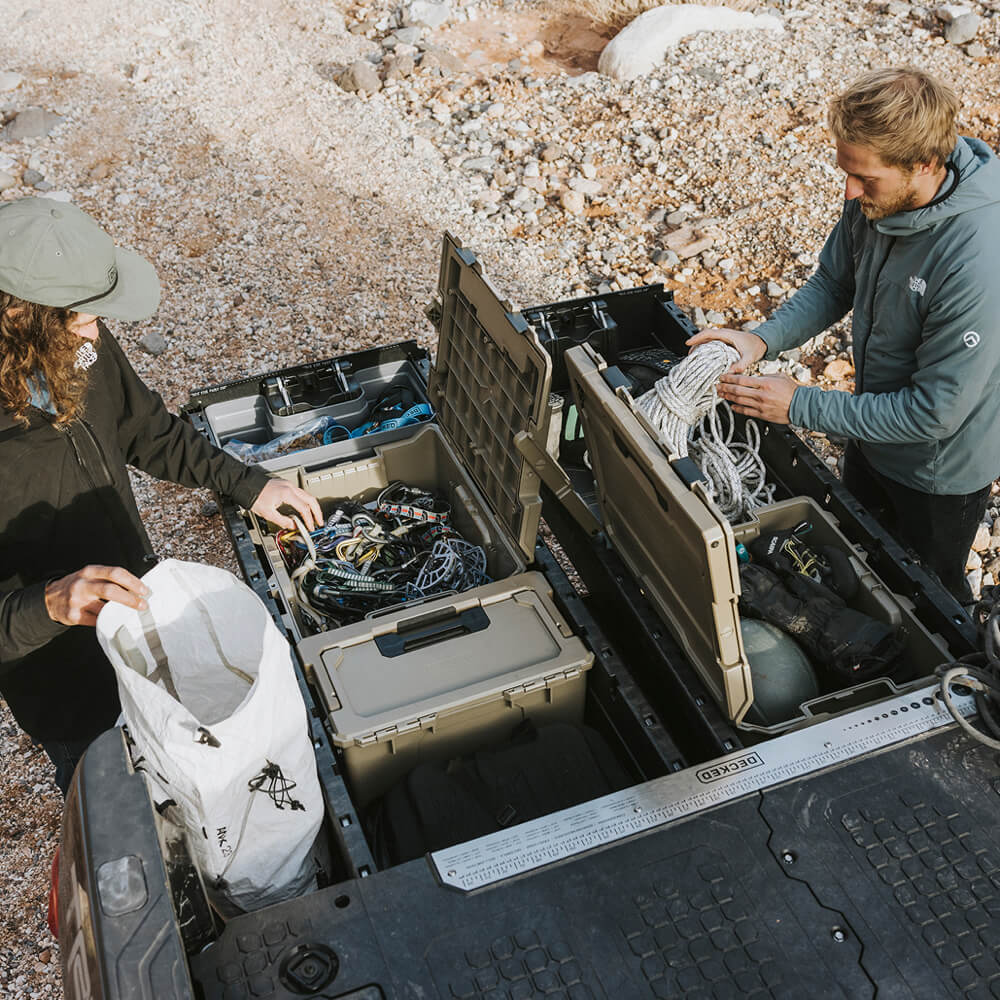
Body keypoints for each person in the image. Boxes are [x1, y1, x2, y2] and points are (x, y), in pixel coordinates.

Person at [0, 197, 322, 795]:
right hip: (66, 690)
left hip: (143, 626)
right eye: (80, 314)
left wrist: (248, 483)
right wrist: (46, 603)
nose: (97, 328)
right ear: (20, 315)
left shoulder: (77, 345)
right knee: (124, 809)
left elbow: (146, 430)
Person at [688, 66, 1000, 605]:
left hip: (938, 470)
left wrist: (802, 405)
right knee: (857, 562)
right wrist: (759, 340)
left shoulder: (976, 260)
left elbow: (934, 413)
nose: (851, 192)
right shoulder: (878, 197)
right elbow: (836, 281)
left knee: (930, 597)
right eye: (846, 172)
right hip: (871, 432)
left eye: (866, 179)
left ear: (925, 164)